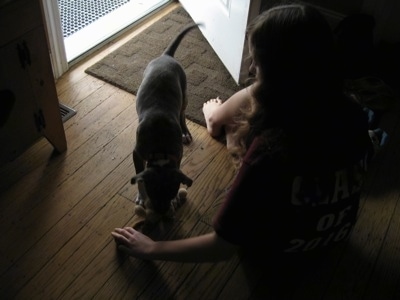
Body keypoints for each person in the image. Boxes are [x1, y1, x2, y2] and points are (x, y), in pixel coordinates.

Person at [112, 3, 371, 266]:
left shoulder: (266, 154)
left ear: (277, 76)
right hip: (335, 238)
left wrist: (152, 248)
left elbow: (222, 247)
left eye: (256, 63)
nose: (248, 69)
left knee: (237, 128)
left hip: (277, 253)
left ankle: (226, 130)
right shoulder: (356, 114)